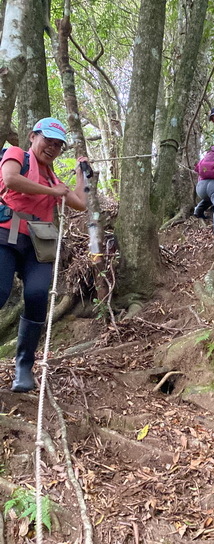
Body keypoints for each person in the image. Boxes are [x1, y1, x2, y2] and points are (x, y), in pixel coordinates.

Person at [0, 117, 89, 393]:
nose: (52, 148)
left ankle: (24, 367)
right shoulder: (17, 155)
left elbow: (81, 204)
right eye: (47, 140)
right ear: (32, 137)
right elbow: (11, 180)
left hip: (38, 244)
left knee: (38, 295)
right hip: (5, 235)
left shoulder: (54, 177)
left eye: (58, 145)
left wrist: (81, 173)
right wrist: (52, 191)